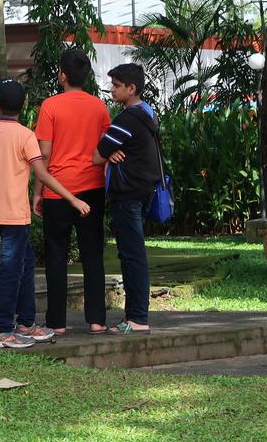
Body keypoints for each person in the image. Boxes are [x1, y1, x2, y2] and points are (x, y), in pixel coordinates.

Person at [0, 79, 90, 348]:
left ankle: (26, 323)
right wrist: (73, 199)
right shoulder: (26, 135)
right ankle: (1, 329)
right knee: (12, 271)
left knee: (24, 265)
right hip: (16, 213)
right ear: (23, 105)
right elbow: (42, 174)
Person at [34, 48, 111, 335]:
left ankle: (57, 322)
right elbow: (105, 148)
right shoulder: (99, 107)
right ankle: (97, 320)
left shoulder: (50, 106)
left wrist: (37, 192)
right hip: (92, 187)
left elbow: (43, 155)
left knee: (56, 254)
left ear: (63, 75)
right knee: (92, 253)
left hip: (57, 189)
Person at [93, 63, 163, 335]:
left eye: (117, 85)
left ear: (131, 88)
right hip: (144, 191)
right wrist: (112, 151)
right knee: (134, 253)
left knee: (132, 256)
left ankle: (137, 318)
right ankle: (136, 316)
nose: (112, 90)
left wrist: (107, 153)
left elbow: (96, 156)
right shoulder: (147, 114)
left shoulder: (126, 119)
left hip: (128, 195)